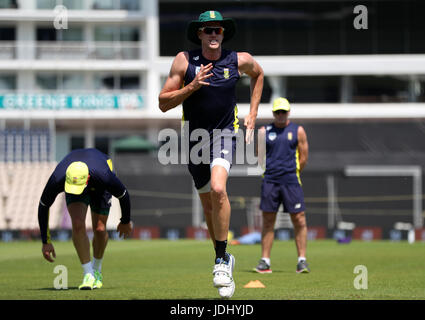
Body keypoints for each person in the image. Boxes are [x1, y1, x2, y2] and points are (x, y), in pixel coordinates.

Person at [159, 10, 264, 298]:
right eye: (208, 30)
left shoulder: (238, 59)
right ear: (199, 34)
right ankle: (223, 257)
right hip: (193, 140)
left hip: (224, 135)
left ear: (223, 34)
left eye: (218, 30)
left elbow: (259, 74)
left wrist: (253, 113)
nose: (213, 34)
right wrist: (191, 87)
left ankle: (220, 259)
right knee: (208, 207)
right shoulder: (185, 60)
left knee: (219, 189)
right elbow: (162, 103)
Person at [38, 148, 133, 290]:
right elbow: (43, 206)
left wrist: (125, 221)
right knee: (77, 225)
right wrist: (46, 242)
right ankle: (88, 274)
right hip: (78, 179)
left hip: (99, 185)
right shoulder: (58, 178)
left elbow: (124, 195)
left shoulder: (105, 176)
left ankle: (96, 270)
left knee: (100, 229)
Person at [254, 97, 310, 274]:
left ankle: (302, 260)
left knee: (299, 218)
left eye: (283, 112)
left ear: (288, 112)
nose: (280, 115)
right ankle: (265, 261)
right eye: (277, 112)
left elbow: (304, 157)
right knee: (268, 220)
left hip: (291, 181)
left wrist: (292, 173)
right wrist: (271, 170)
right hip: (270, 180)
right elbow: (259, 156)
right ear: (273, 113)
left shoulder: (298, 130)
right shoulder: (264, 131)